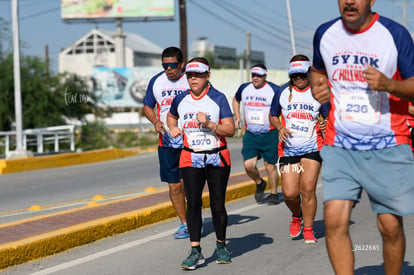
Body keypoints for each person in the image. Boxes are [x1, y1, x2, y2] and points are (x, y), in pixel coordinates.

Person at [311, 0, 414, 274]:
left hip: (388, 143)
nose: (349, 1)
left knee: (390, 225)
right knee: (333, 220)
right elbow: (318, 70)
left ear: (371, 1)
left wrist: (389, 84)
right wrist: (317, 85)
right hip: (340, 143)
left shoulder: (394, 34)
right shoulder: (325, 33)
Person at [167, 57, 235, 270]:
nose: (193, 79)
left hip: (217, 157)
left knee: (217, 203)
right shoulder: (181, 99)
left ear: (208, 76)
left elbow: (231, 130)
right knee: (193, 203)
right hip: (190, 157)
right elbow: (171, 117)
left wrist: (210, 124)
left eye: (198, 75)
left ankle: (221, 245)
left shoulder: (218, 98)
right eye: (189, 75)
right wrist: (173, 128)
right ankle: (195, 249)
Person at [269, 54, 329, 244]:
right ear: (290, 76)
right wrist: (279, 127)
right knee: (289, 194)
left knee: (308, 190)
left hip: (312, 147)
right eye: (295, 76)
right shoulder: (281, 92)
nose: (299, 79)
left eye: (302, 75)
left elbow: (328, 117)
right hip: (289, 149)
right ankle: (297, 215)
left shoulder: (319, 92)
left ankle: (309, 229)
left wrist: (326, 125)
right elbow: (272, 116)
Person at [143, 46, 190, 239]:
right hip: (167, 142)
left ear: (181, 64)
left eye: (172, 65)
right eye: (165, 66)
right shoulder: (156, 81)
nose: (168, 70)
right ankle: (185, 223)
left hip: (191, 142)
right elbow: (147, 106)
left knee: (190, 184)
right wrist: (155, 121)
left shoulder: (192, 79)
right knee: (174, 186)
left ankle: (194, 216)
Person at [232, 64, 280, 205]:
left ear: (265, 76)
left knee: (269, 165)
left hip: (269, 133)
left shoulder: (274, 90)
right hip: (251, 134)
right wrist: (237, 117)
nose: (256, 78)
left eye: (259, 75)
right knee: (249, 165)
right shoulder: (244, 88)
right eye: (253, 75)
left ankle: (274, 193)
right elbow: (236, 100)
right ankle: (259, 183)